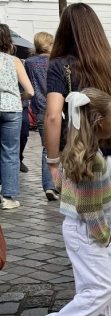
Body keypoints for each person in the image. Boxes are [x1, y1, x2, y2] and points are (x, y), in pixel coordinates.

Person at [45, 2, 111, 316]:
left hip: (87, 162)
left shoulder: (63, 66)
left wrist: (53, 162)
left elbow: (51, 117)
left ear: (65, 31)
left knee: (93, 245)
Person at [33, 88, 111, 316]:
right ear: (98, 122)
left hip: (86, 230)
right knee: (102, 287)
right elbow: (90, 209)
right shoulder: (92, 160)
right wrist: (104, 237)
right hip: (87, 231)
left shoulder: (83, 152)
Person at [0, 24, 35, 210]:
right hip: (12, 109)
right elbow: (30, 91)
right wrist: (17, 97)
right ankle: (8, 197)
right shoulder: (14, 61)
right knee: (10, 152)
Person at [24, 31, 59, 201]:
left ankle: (51, 185)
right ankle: (55, 184)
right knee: (61, 146)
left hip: (39, 109)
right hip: (58, 108)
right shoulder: (55, 61)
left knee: (47, 146)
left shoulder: (29, 63)